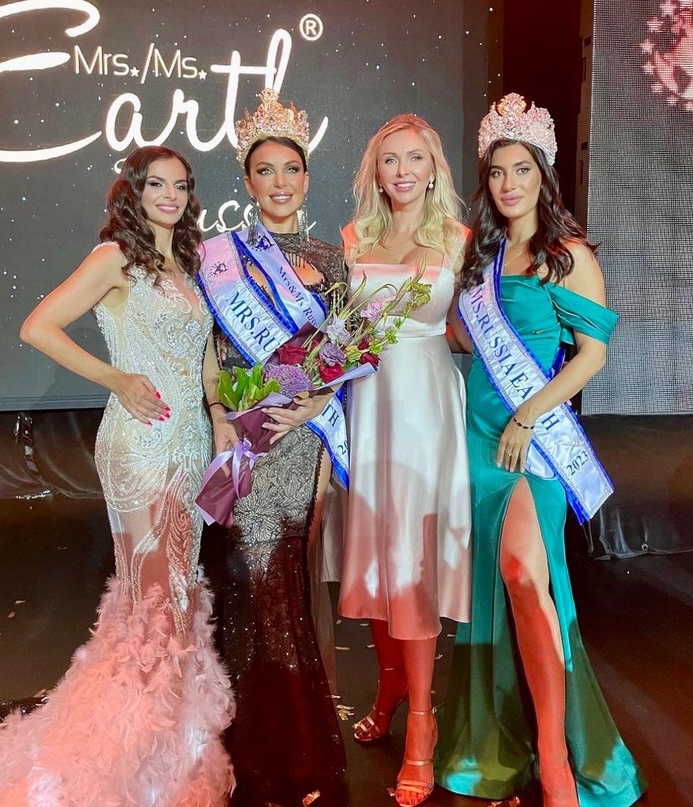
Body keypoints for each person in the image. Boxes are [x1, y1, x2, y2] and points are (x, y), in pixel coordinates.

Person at [3, 145, 234, 805]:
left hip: (190, 445)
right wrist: (116, 378)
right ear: (132, 192)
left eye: (180, 185)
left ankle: (167, 743)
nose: (169, 196)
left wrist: (219, 414)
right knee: (157, 597)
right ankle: (137, 762)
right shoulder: (115, 258)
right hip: (140, 442)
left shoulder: (187, 264)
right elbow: (37, 326)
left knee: (176, 594)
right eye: (156, 184)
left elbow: (205, 356)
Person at [434, 94, 646, 807]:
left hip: (535, 438)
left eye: (521, 169)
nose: (508, 184)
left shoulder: (568, 256)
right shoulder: (482, 255)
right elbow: (462, 338)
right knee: (496, 587)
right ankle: (504, 737)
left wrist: (528, 413)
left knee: (527, 576)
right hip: (478, 435)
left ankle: (556, 758)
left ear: (543, 174)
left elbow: (591, 355)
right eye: (497, 172)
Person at [197, 88, 346, 807]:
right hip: (243, 437)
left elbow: (341, 353)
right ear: (248, 181)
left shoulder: (330, 259)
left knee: (282, 583)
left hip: (298, 439)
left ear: (306, 178)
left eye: (291, 169)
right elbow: (209, 347)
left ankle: (293, 751)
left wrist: (315, 404)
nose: (280, 182)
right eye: (265, 171)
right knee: (247, 586)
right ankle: (251, 748)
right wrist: (220, 413)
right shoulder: (217, 257)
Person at [337, 113, 472, 807]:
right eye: (389, 160)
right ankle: (389, 686)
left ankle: (422, 719)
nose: (402, 171)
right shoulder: (353, 238)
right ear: (376, 170)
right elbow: (343, 331)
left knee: (411, 560)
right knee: (373, 555)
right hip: (369, 406)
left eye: (414, 158)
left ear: (433, 167)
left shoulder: (459, 240)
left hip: (426, 411)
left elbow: (465, 331)